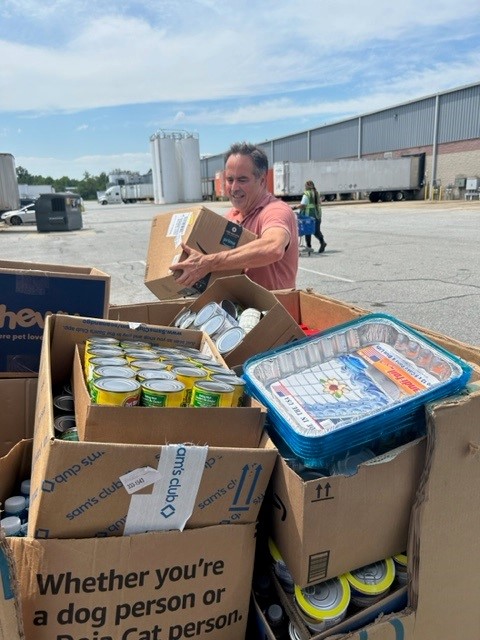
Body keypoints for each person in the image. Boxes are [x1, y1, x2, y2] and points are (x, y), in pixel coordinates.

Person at [169, 142, 299, 290]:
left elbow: (273, 247)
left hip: (272, 309)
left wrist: (209, 263)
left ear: (262, 180)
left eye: (242, 180)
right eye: (230, 180)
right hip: (239, 308)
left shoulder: (275, 211)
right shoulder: (230, 216)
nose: (234, 188)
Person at [297, 180, 327, 253]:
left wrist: (294, 207)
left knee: (307, 230)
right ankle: (322, 242)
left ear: (306, 186)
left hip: (308, 216)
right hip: (317, 215)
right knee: (316, 231)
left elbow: (303, 205)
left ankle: (309, 246)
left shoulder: (306, 194)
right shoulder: (316, 193)